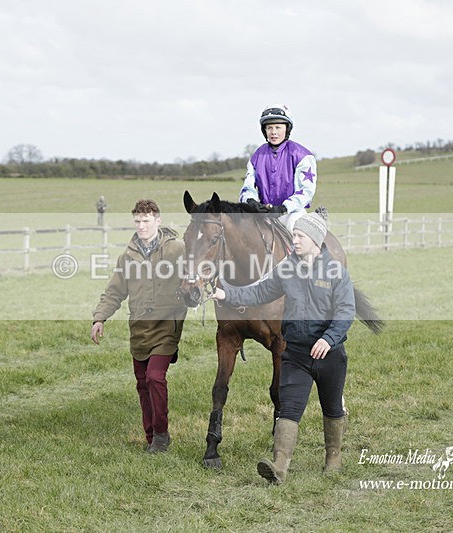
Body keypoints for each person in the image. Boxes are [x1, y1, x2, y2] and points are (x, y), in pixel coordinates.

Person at [211, 209, 355, 483]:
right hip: (297, 353)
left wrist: (329, 339)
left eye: (299, 236)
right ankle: (279, 466)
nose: (295, 240)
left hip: (329, 354)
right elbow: (258, 292)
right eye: (294, 235)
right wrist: (224, 293)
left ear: (314, 239)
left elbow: (346, 312)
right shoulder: (286, 268)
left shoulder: (335, 272)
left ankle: (333, 459)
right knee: (288, 408)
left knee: (332, 407)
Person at [90, 199, 187, 453]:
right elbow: (114, 292)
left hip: (167, 326)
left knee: (155, 377)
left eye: (146, 221)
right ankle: (150, 437)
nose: (142, 226)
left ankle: (162, 435)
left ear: (158, 221)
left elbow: (197, 275)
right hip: (139, 329)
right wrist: (100, 318)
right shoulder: (127, 256)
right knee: (142, 383)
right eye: (138, 221)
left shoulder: (178, 249)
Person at [240, 104, 318, 231]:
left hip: (291, 214)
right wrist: (251, 201)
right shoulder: (257, 156)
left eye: (278, 127)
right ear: (264, 130)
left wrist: (283, 208)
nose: (273, 132)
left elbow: (306, 191)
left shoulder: (302, 155)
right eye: (269, 128)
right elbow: (248, 187)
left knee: (296, 228)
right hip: (264, 214)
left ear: (287, 129)